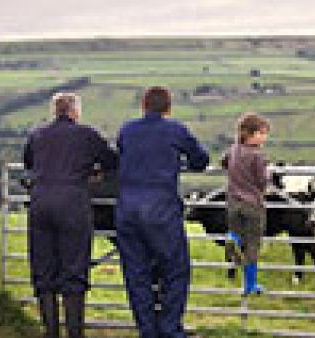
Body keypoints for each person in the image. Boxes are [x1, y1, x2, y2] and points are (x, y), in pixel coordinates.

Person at [116, 87, 209, 338]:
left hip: (127, 211)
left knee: (137, 274)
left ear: (143, 106)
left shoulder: (127, 130)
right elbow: (200, 160)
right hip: (161, 212)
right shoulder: (175, 130)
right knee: (175, 271)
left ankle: (147, 330)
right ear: (168, 108)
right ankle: (169, 329)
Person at [24, 92, 118, 338]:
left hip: (40, 203)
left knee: (43, 270)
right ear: (75, 111)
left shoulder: (37, 134)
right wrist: (92, 171)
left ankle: (51, 332)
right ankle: (75, 332)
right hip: (73, 203)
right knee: (74, 269)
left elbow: (29, 163)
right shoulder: (87, 134)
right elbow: (111, 161)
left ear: (55, 111)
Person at [222, 113, 270, 295]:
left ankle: (232, 239)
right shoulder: (258, 156)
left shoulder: (233, 149)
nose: (265, 137)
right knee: (252, 244)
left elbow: (224, 161)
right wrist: (269, 173)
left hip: (233, 202)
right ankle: (250, 284)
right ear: (253, 134)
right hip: (253, 204)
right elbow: (262, 181)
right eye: (263, 133)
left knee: (237, 234)